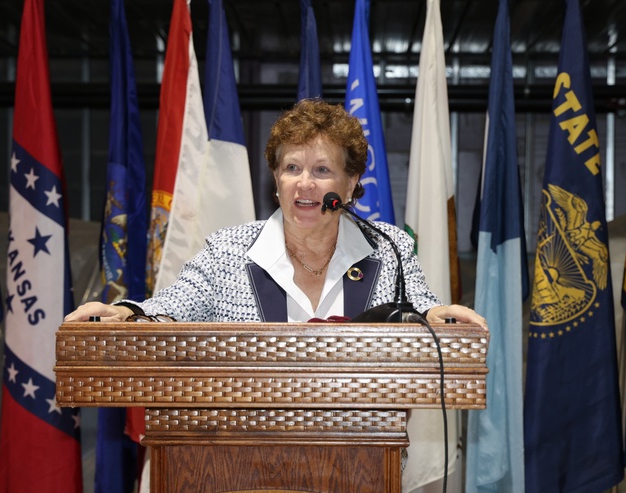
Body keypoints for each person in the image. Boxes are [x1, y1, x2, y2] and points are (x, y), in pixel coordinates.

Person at [65, 99, 486, 331]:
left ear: (352, 181)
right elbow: (176, 304)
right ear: (276, 178)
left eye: (322, 171)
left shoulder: (389, 248)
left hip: (361, 462)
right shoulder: (228, 250)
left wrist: (436, 316)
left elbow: (422, 307)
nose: (304, 184)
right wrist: (130, 312)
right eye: (292, 168)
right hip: (249, 467)